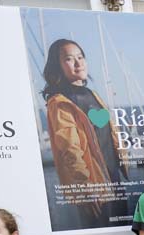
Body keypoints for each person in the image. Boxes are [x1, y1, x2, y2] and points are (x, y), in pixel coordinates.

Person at [42, 38, 127, 222]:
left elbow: (109, 134)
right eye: (69, 59)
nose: (78, 63)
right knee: (102, 231)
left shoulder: (92, 94)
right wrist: (85, 188)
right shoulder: (60, 102)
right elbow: (70, 150)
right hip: (94, 186)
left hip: (114, 178)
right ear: (57, 66)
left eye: (80, 57)